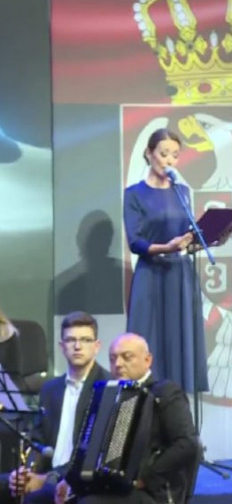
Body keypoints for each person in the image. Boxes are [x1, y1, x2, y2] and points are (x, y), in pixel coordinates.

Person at [55, 333, 199, 504]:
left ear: (147, 360)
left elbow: (187, 444)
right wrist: (70, 480)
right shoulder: (106, 395)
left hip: (152, 491)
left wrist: (145, 477)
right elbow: (88, 448)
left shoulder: (165, 392)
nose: (118, 364)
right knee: (42, 496)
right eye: (112, 359)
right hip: (108, 487)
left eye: (127, 357)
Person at [123, 128, 208, 394]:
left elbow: (186, 234)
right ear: (149, 153)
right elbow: (136, 242)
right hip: (151, 273)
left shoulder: (182, 192)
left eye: (175, 155)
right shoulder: (134, 194)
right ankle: (143, 402)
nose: (169, 161)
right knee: (149, 337)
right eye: (163, 154)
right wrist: (165, 247)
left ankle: (177, 402)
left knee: (179, 339)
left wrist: (204, 239)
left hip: (180, 274)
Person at [0, 311, 110, 504]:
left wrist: (47, 479)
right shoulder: (50, 389)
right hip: (48, 473)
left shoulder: (108, 387)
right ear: (61, 347)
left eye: (85, 340)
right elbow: (38, 439)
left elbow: (95, 452)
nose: (77, 346)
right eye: (71, 340)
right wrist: (27, 472)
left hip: (81, 480)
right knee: (9, 485)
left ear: (96, 346)